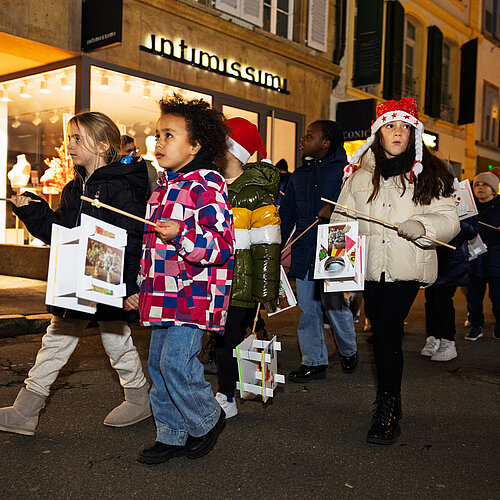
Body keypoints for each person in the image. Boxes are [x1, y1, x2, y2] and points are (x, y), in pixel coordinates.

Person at [0, 112, 151, 436]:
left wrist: (129, 286)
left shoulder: (121, 187)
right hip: (78, 279)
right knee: (72, 337)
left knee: (111, 338)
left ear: (102, 145)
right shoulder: (74, 188)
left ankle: (137, 399)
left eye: (77, 138)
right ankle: (28, 409)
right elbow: (61, 232)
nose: (68, 144)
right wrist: (32, 209)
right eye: (69, 137)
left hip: (107, 281)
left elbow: (132, 237)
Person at [332, 97, 459, 445]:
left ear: (414, 133)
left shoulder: (430, 173)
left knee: (386, 333)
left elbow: (450, 219)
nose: (398, 132)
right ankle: (392, 401)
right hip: (372, 269)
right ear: (378, 133)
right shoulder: (358, 176)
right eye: (390, 126)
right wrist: (338, 269)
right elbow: (340, 221)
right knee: (383, 334)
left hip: (407, 266)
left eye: (405, 126)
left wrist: (423, 224)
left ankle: (387, 407)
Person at [130, 95, 235, 465]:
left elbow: (222, 245)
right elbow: (150, 246)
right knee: (158, 365)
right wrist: (140, 284)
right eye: (157, 135)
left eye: (169, 135)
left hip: (194, 294)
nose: (158, 143)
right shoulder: (162, 185)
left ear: (195, 145)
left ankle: (207, 418)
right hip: (161, 294)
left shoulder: (207, 183)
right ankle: (171, 433)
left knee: (176, 362)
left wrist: (182, 233)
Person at [279, 120, 358, 382]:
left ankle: (349, 350)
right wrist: (279, 246)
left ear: (325, 143)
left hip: (335, 243)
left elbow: (355, 211)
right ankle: (314, 361)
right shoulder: (298, 175)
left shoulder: (346, 173)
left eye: (309, 136)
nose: (303, 139)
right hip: (303, 247)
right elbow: (287, 213)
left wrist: (334, 210)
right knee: (307, 308)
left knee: (334, 305)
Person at [214, 117, 281, 418]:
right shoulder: (213, 185)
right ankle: (224, 391)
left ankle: (226, 397)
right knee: (219, 339)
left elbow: (267, 246)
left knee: (228, 339)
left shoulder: (255, 192)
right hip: (214, 278)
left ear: (232, 150)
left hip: (239, 282)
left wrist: (265, 293)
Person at [421, 216, 479, 360]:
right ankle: (433, 337)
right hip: (431, 256)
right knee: (430, 300)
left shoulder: (464, 202)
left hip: (452, 260)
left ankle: (448, 341)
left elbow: (472, 231)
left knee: (443, 300)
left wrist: (454, 220)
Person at [465, 172, 500, 340]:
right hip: (475, 257)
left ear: (493, 189)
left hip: (496, 258)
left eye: (485, 185)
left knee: (498, 295)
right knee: (474, 295)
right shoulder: (470, 207)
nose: (480, 188)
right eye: (477, 185)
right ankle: (476, 325)